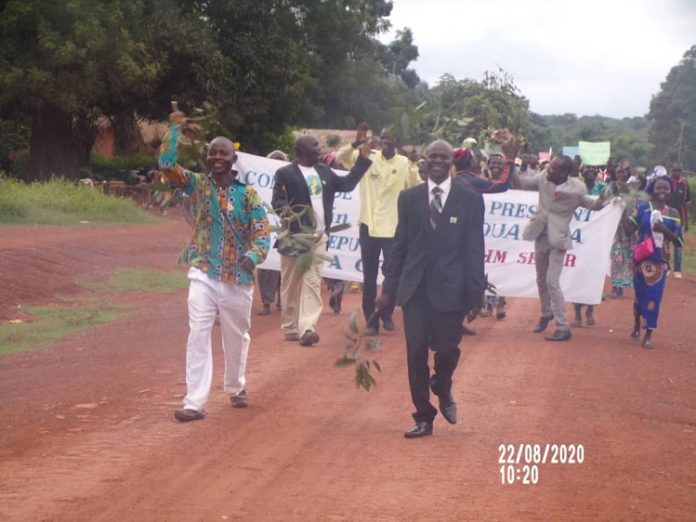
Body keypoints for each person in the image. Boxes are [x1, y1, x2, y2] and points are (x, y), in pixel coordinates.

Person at [159, 115, 271, 422]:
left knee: (237, 336)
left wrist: (254, 254)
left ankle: (235, 386)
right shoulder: (196, 185)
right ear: (208, 157)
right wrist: (174, 131)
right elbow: (167, 166)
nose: (217, 157)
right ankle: (194, 402)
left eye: (223, 153)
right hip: (203, 273)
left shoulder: (247, 195)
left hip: (238, 278)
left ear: (234, 159)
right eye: (213, 152)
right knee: (198, 332)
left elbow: (263, 232)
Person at [375, 140, 485, 438]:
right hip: (415, 290)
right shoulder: (408, 198)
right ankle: (424, 415)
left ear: (452, 161)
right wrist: (388, 289)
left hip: (452, 289)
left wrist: (476, 294)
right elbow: (399, 246)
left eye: (443, 156)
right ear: (424, 161)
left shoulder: (470, 200)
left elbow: (475, 249)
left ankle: (443, 384)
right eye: (432, 156)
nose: (437, 161)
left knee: (447, 351)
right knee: (415, 354)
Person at [272, 135, 371, 346]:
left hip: (319, 238)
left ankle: (307, 327)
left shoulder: (324, 171)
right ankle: (290, 325)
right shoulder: (285, 174)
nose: (319, 148)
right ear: (300, 150)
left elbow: (347, 184)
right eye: (315, 145)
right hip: (294, 237)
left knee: (312, 282)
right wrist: (290, 214)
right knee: (290, 285)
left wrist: (362, 160)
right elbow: (277, 201)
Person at [512, 155, 611, 341]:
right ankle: (546, 313)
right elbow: (520, 185)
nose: (548, 169)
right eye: (549, 166)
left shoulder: (577, 188)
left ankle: (562, 326)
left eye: (553, 168)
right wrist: (510, 162)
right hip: (539, 233)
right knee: (541, 279)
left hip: (558, 239)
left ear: (565, 173)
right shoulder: (543, 178)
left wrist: (608, 194)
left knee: (551, 281)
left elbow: (595, 205)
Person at [337, 125, 419, 336]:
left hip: (394, 228)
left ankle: (387, 314)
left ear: (396, 141)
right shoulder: (367, 157)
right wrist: (355, 143)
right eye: (383, 138)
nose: (386, 142)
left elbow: (416, 186)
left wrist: (413, 163)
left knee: (392, 276)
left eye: (390, 139)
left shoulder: (403, 163)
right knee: (369, 275)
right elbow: (342, 158)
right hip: (369, 226)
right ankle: (371, 320)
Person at [626, 177, 682, 348]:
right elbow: (629, 230)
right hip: (640, 260)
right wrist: (624, 211)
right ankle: (637, 323)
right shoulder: (642, 209)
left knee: (654, 297)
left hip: (660, 262)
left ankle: (648, 333)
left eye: (666, 187)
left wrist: (665, 230)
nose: (662, 190)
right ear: (652, 189)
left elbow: (679, 241)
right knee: (640, 296)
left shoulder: (674, 214)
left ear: (670, 191)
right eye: (659, 187)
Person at [572, 165, 607, 326]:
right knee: (576, 274)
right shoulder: (575, 186)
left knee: (594, 273)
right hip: (578, 236)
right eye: (587, 168)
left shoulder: (603, 187)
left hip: (597, 237)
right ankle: (577, 314)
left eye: (594, 168)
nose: (591, 171)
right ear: (582, 171)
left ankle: (590, 310)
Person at [256, 150, 289, 315]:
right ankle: (266, 302)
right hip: (264, 227)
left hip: (283, 226)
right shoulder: (259, 177)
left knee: (281, 265)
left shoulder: (290, 178)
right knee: (264, 265)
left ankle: (280, 300)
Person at [668, 165, 690, 278]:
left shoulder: (684, 184)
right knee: (664, 243)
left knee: (678, 244)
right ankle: (666, 266)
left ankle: (677, 269)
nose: (677, 172)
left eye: (679, 171)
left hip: (679, 219)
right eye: (675, 170)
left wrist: (686, 221)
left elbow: (685, 204)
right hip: (666, 217)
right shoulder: (666, 182)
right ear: (671, 171)